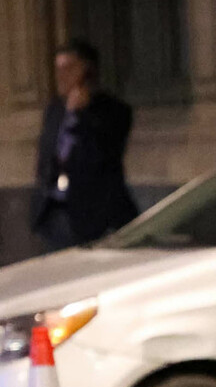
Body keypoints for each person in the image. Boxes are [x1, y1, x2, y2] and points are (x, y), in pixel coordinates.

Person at [29, 37, 137, 251]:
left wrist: (83, 114)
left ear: (87, 71)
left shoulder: (113, 111)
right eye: (58, 69)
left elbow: (104, 154)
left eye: (68, 68)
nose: (61, 76)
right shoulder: (55, 109)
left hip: (93, 215)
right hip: (54, 211)